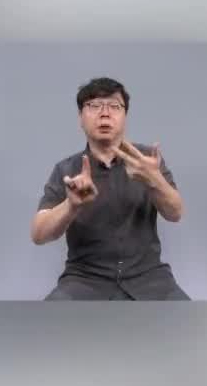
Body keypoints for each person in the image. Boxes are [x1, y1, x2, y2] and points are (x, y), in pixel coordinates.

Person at [30, 77, 188, 300]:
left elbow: (175, 213)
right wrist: (71, 205)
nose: (105, 113)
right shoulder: (66, 169)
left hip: (150, 278)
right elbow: (38, 234)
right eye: (94, 106)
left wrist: (155, 181)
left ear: (125, 116)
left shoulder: (147, 161)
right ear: (80, 118)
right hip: (84, 280)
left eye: (114, 106)